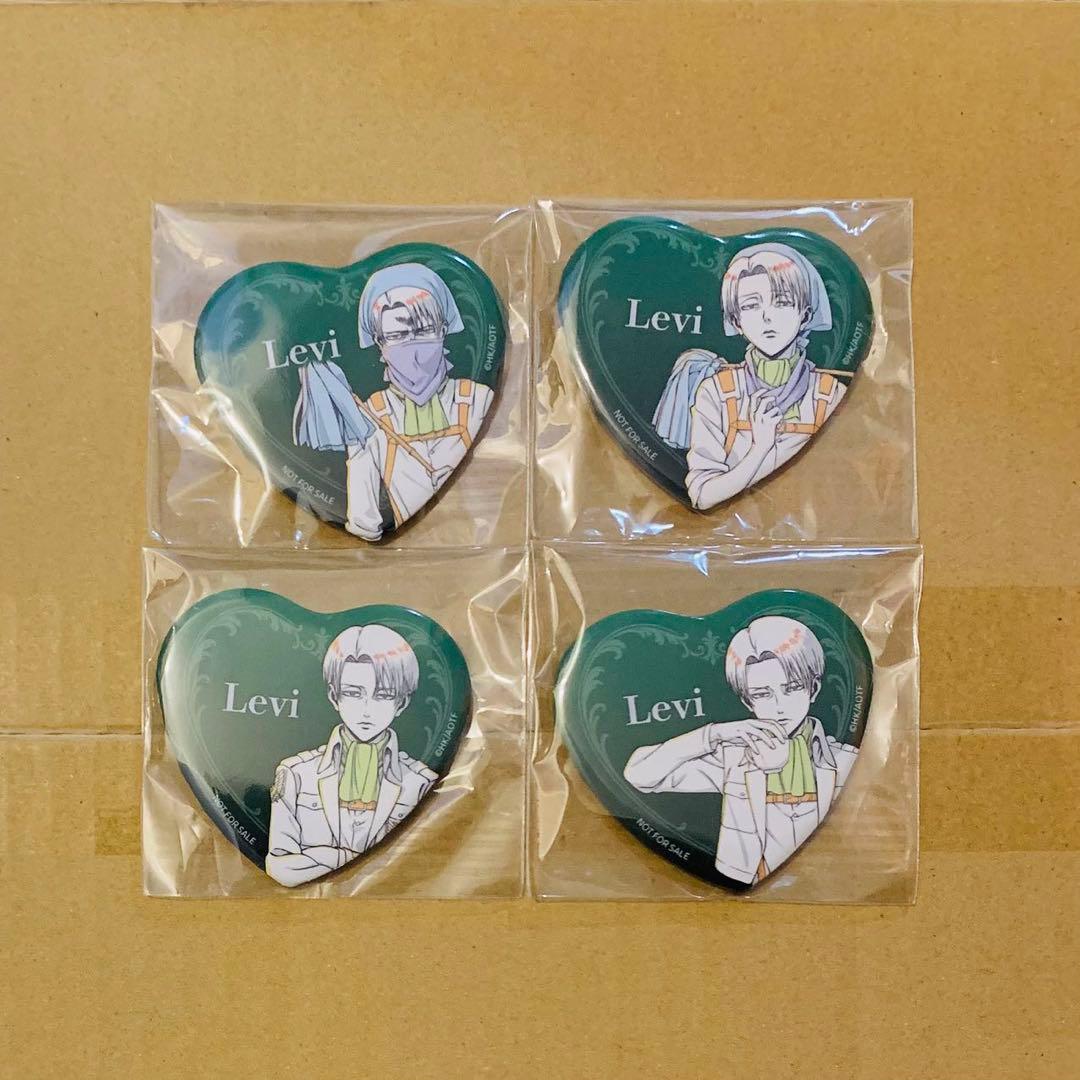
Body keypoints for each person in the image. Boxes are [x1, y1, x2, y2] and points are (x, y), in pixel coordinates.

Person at [623, 616, 858, 884]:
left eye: (792, 688)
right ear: (747, 701)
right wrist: (713, 734)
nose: (779, 706)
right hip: (739, 883)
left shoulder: (845, 759)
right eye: (762, 694)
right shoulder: (733, 758)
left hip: (827, 880)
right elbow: (639, 775)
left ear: (813, 689)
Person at [651, 243, 846, 509]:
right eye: (751, 305)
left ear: (805, 314)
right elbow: (702, 495)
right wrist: (759, 447)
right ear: (736, 321)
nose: (767, 316)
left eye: (782, 302)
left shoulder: (830, 394)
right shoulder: (716, 392)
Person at [265, 624, 436, 887]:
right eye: (354, 693)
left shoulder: (422, 781)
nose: (367, 710)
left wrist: (321, 856)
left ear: (401, 703)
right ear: (335, 697)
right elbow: (280, 868)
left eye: (383, 695)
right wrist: (348, 857)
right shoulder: (295, 773)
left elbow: (418, 869)